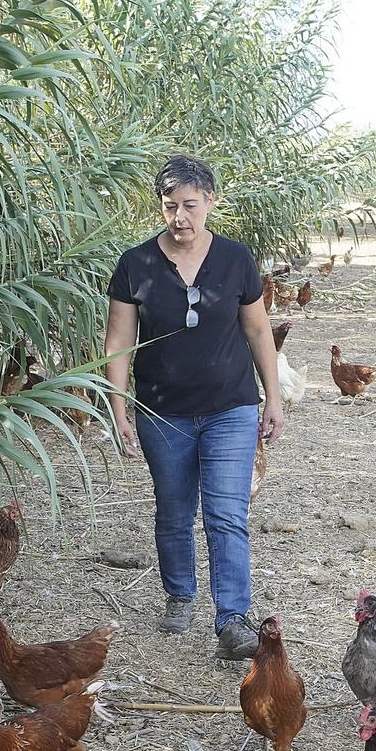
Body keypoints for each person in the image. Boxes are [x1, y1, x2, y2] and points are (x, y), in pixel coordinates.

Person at [104, 155, 284, 660]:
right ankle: (180, 594)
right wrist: (119, 408)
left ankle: (232, 619)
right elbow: (118, 341)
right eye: (169, 206)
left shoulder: (236, 259)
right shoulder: (135, 265)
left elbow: (257, 329)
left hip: (231, 406)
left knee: (227, 512)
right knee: (175, 511)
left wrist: (272, 395)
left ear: (210, 202)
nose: (180, 217)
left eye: (189, 205)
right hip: (162, 411)